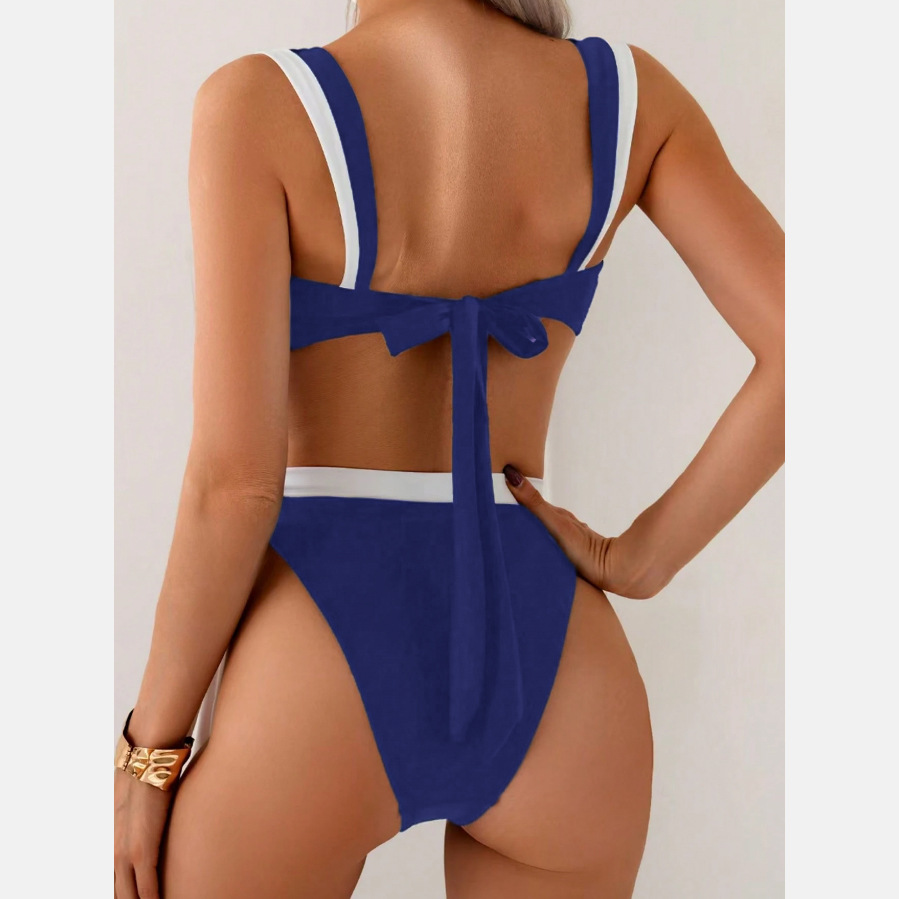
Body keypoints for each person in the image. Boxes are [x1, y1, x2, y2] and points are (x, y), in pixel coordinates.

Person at [113, 0, 785, 896]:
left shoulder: (262, 103)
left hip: (319, 647)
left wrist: (148, 753)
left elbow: (235, 486)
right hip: (554, 658)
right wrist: (638, 560)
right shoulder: (628, 100)